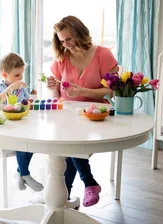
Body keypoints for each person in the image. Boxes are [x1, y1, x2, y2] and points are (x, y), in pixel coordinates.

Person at [46, 16, 119, 207]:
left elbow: (113, 88)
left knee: (69, 148)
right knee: (68, 148)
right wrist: (52, 85)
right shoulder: (62, 58)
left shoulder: (102, 55)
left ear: (79, 33)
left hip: (95, 116)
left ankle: (65, 199)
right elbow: (55, 92)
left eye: (68, 39)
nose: (66, 44)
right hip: (67, 117)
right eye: (61, 41)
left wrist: (84, 92)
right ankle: (83, 187)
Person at [0, 53, 44, 192]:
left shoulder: (21, 88)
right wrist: (12, 88)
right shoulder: (1, 89)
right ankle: (26, 174)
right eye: (17, 75)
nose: (21, 78)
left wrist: (31, 101)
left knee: (34, 141)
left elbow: (27, 100)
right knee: (23, 143)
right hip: (8, 128)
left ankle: (20, 172)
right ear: (5, 75)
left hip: (23, 124)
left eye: (22, 74)